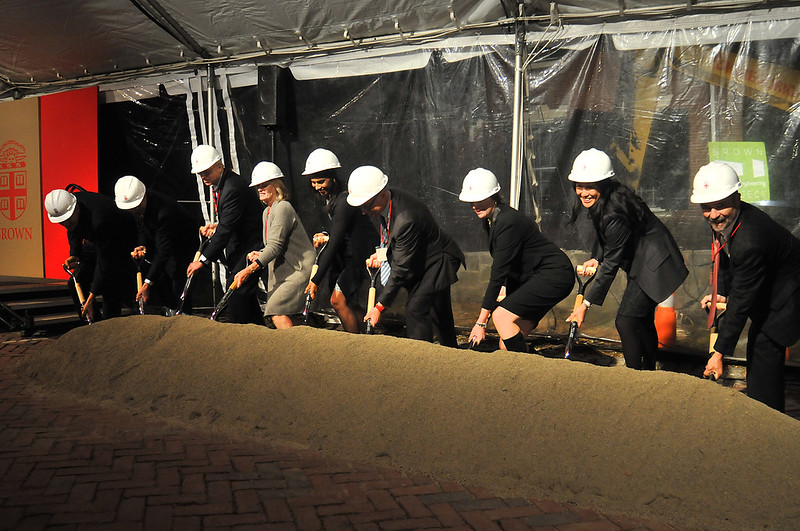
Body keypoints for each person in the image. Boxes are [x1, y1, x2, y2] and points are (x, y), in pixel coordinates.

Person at [691, 161, 800, 411]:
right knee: (760, 349)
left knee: (763, 348)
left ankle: (767, 421)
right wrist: (722, 293)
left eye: (720, 205)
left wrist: (719, 354)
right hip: (773, 287)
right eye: (706, 207)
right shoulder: (732, 221)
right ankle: (763, 410)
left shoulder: (750, 240)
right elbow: (728, 261)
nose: (713, 213)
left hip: (790, 293)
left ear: (737, 198)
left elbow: (741, 301)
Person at [565, 148, 688, 370]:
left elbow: (612, 263)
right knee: (641, 320)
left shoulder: (614, 211)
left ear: (603, 184)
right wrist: (597, 258)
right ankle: (648, 371)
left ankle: (634, 376)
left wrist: (586, 304)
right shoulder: (609, 198)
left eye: (590, 186)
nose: (583, 192)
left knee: (627, 320)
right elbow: (612, 243)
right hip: (643, 262)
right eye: (579, 186)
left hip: (655, 263)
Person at [347, 165, 465, 346]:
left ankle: (421, 359)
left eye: (367, 206)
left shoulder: (406, 218)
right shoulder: (388, 202)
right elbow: (391, 239)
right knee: (439, 311)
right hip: (422, 260)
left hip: (438, 260)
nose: (364, 211)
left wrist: (379, 306)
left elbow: (401, 269)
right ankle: (450, 353)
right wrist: (380, 254)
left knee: (415, 310)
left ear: (382, 194)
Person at [459, 169, 575, 353]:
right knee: (506, 344)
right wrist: (507, 291)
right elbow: (511, 262)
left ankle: (528, 370)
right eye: (471, 201)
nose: (475, 205)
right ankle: (524, 367)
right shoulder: (492, 219)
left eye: (480, 199)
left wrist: (480, 323)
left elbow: (498, 273)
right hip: (535, 276)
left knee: (501, 317)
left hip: (554, 275)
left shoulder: (507, 221)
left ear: (494, 196)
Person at [302, 148, 379, 333]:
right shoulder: (330, 200)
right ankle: (368, 337)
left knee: (337, 300)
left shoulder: (343, 201)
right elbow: (339, 233)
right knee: (348, 303)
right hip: (347, 256)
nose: (317, 187)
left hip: (360, 256)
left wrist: (316, 279)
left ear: (333, 179)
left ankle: (354, 341)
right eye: (313, 183)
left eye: (321, 182)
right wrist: (325, 235)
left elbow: (337, 241)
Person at [185, 145, 263, 324]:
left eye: (207, 171)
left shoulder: (232, 188)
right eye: (200, 173)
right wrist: (217, 226)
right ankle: (258, 333)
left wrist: (202, 261)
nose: (203, 176)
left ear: (219, 166)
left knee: (236, 291)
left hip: (250, 246)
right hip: (242, 245)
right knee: (244, 296)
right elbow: (230, 221)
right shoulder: (223, 184)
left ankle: (242, 335)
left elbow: (226, 230)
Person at [233, 162, 315, 329]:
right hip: (283, 273)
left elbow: (275, 247)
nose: (260, 189)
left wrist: (249, 270)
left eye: (264, 185)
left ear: (276, 185)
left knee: (276, 311)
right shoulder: (267, 212)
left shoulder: (283, 207)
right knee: (291, 318)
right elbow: (273, 244)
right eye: (258, 186)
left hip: (297, 270)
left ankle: (293, 351)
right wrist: (260, 253)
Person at [44, 187, 139, 321]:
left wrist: (92, 295)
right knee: (74, 283)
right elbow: (72, 230)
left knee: (108, 285)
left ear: (76, 209)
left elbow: (104, 262)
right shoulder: (69, 208)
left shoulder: (100, 218)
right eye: (61, 222)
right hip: (95, 240)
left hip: (119, 240)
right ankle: (92, 325)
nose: (65, 224)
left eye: (68, 220)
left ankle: (110, 326)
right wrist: (75, 254)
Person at [114, 175, 198, 313]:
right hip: (162, 240)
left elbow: (163, 252)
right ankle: (168, 309)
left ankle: (183, 314)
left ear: (144, 196)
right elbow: (142, 224)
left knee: (177, 279)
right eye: (131, 209)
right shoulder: (140, 207)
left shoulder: (163, 212)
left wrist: (147, 283)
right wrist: (142, 245)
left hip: (184, 242)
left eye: (136, 207)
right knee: (161, 278)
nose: (134, 211)